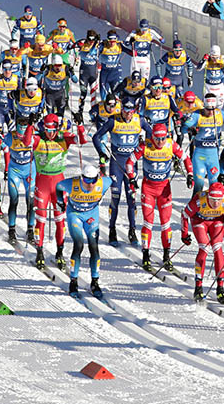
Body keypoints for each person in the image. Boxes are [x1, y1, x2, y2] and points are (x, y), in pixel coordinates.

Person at [125, 122, 194, 271]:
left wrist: (190, 175)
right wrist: (132, 177)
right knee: (148, 222)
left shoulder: (171, 145)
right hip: (148, 188)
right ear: (152, 137)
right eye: (157, 139)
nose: (160, 142)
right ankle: (145, 255)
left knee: (165, 223)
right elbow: (130, 161)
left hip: (164, 189)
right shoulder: (145, 146)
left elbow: (186, 159)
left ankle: (166, 256)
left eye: (163, 138)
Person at [29, 113, 87, 269]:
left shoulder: (63, 139)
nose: (50, 133)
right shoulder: (38, 139)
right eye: (47, 129)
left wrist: (80, 124)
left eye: (53, 129)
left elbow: (82, 140)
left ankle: (60, 252)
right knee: (40, 220)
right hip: (42, 184)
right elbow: (26, 140)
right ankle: (39, 252)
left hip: (59, 185)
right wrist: (29, 125)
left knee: (60, 221)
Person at [94, 105, 145, 248]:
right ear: (121, 110)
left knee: (131, 198)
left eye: (131, 112)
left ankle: (132, 230)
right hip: (116, 163)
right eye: (125, 112)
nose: (128, 115)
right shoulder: (113, 121)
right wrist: (102, 153)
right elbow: (96, 137)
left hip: (132, 164)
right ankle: (112, 230)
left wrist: (144, 144)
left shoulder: (139, 120)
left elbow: (154, 135)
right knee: (115, 198)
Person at [56, 164, 110, 297]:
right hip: (75, 215)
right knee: (78, 245)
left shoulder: (103, 183)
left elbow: (114, 180)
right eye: (87, 180)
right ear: (82, 178)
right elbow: (58, 186)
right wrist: (60, 202)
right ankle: (73, 281)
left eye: (93, 180)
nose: (90, 184)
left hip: (91, 216)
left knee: (94, 247)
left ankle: (95, 282)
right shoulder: (72, 184)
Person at [181, 181, 224, 303]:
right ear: (208, 196)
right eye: (212, 199)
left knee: (217, 249)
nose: (216, 203)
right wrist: (184, 234)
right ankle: (198, 286)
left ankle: (220, 288)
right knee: (204, 249)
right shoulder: (199, 200)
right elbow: (184, 214)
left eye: (218, 200)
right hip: (199, 221)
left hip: (216, 221)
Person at [182, 93, 224, 193]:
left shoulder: (220, 114)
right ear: (204, 106)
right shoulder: (197, 115)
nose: (210, 112)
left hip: (213, 157)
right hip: (200, 155)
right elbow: (183, 129)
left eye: (213, 109)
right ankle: (195, 207)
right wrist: (191, 129)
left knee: (215, 187)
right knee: (198, 187)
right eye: (208, 109)